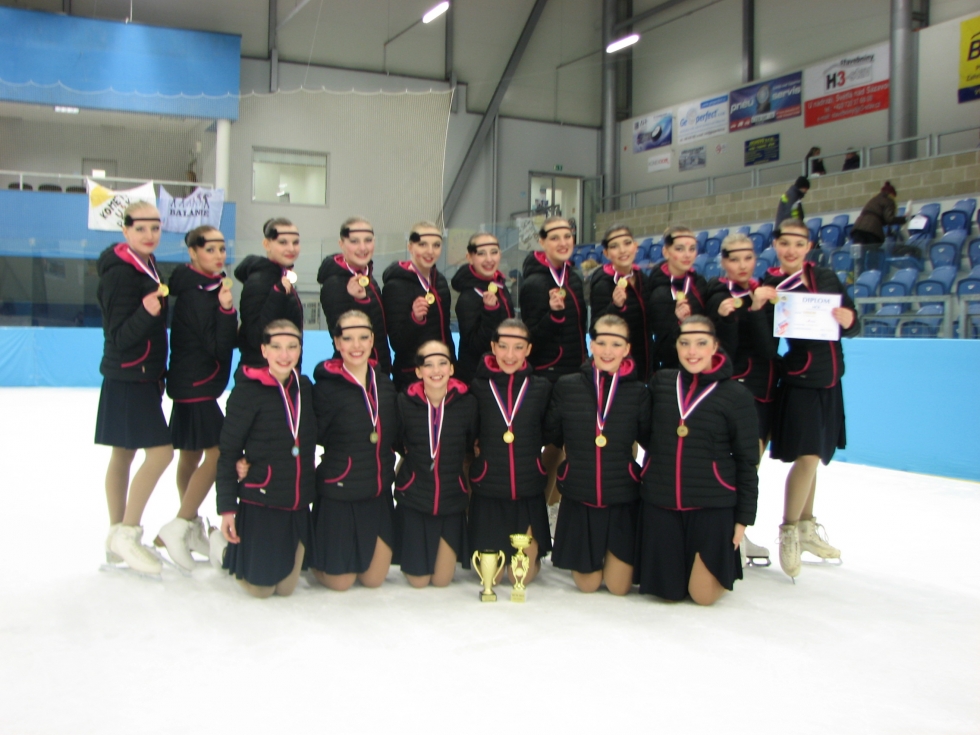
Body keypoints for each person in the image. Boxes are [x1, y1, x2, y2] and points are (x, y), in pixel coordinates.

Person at [635, 316, 759, 605]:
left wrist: (744, 518)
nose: (692, 351)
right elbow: (646, 434)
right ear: (676, 346)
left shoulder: (736, 395)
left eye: (701, 343)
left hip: (712, 506)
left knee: (703, 596)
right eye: (685, 343)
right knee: (667, 593)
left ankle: (722, 557)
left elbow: (746, 461)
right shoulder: (661, 383)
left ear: (715, 346)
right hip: (661, 503)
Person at [763, 220, 860, 578]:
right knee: (806, 457)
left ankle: (806, 527)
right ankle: (789, 531)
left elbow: (853, 325)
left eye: (798, 243)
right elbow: (765, 341)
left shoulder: (827, 278)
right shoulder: (772, 287)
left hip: (830, 382)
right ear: (775, 245)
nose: (791, 249)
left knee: (816, 456)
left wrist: (849, 320)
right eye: (784, 243)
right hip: (801, 382)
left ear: (808, 247)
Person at [544, 315, 651, 595]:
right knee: (588, 585)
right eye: (601, 342)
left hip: (622, 498)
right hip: (580, 498)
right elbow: (547, 433)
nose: (607, 351)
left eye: (616, 344)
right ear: (591, 345)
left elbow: (653, 441)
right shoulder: (567, 386)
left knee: (618, 587)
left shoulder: (638, 392)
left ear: (627, 349)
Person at [96, 201, 174, 575]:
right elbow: (117, 335)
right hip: (129, 376)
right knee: (161, 454)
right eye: (141, 228)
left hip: (142, 374)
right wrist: (146, 312)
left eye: (155, 228)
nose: (149, 235)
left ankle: (116, 537)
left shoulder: (146, 264)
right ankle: (128, 533)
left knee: (123, 454)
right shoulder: (120, 273)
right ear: (125, 230)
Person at [156, 226, 238, 571]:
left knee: (190, 455)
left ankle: (188, 525)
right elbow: (218, 344)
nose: (219, 255)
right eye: (210, 249)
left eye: (222, 249)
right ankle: (180, 523)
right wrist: (227, 311)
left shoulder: (204, 286)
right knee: (219, 453)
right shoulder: (196, 293)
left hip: (193, 383)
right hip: (196, 384)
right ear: (193, 252)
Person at [214, 320, 315, 598]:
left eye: (292, 347)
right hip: (261, 501)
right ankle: (223, 549)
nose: (285, 354)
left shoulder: (304, 388)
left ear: (300, 350)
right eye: (277, 347)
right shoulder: (247, 391)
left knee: (286, 589)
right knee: (261, 590)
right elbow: (228, 453)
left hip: (296, 502)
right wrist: (227, 509)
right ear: (264, 350)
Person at [310, 310, 399, 590]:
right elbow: (303, 435)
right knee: (340, 583)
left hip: (377, 495)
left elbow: (399, 434)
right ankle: (312, 556)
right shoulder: (325, 389)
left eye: (363, 337)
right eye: (348, 338)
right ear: (337, 343)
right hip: (340, 494)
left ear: (372, 340)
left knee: (373, 580)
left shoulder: (385, 385)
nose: (356, 345)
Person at [703, 236, 778, 566]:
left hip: (765, 389)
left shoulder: (765, 292)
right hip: (735, 390)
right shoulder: (718, 296)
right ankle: (725, 529)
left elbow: (771, 347)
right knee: (731, 462)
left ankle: (738, 528)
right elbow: (728, 352)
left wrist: (759, 306)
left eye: (748, 258)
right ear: (724, 262)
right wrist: (741, 313)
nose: (743, 265)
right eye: (735, 259)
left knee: (751, 465)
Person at [468, 319, 553, 586]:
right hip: (489, 490)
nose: (509, 355)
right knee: (490, 577)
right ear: (493, 347)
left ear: (528, 350)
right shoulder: (478, 387)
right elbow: (468, 432)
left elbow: (549, 431)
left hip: (527, 491)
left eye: (518, 347)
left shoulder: (540, 387)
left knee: (521, 577)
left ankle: (533, 553)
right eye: (503, 346)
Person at [519, 215, 587, 527]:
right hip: (549, 373)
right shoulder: (535, 283)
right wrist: (554, 316)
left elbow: (581, 327)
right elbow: (531, 336)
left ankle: (553, 504)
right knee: (551, 443)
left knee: (566, 445)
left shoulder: (573, 278)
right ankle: (538, 508)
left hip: (575, 370)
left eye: (567, 236)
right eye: (555, 237)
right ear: (542, 242)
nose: (563, 242)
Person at [393, 340, 477, 587]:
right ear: (419, 371)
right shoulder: (404, 403)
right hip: (415, 499)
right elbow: (397, 440)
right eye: (428, 364)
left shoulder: (467, 404)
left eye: (442, 363)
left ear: (451, 368)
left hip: (451, 501)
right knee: (418, 581)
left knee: (442, 580)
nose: (436, 370)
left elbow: (471, 441)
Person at [382, 222, 455, 391]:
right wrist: (415, 319)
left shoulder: (439, 281)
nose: (430, 251)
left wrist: (452, 363)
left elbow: (444, 330)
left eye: (436, 245)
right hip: (412, 375)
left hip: (442, 371)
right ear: (410, 246)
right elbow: (397, 342)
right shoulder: (395, 286)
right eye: (422, 244)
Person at [317, 217, 391, 376]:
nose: (363, 247)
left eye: (368, 240)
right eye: (354, 241)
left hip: (378, 369)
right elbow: (343, 336)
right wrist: (360, 301)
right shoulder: (335, 284)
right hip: (357, 372)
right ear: (341, 244)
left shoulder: (368, 279)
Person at [235, 218, 304, 368]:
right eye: (283, 242)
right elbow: (255, 337)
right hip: (263, 372)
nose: (291, 248)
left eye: (295, 242)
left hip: (281, 370)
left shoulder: (279, 277)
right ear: (267, 244)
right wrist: (277, 296)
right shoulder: (259, 281)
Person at [450, 232, 514, 385]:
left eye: (494, 252)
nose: (489, 259)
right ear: (470, 257)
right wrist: (490, 312)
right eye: (481, 254)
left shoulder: (499, 285)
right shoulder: (468, 297)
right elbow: (476, 345)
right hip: (479, 377)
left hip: (503, 368)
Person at [589, 224, 652, 379]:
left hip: (645, 362)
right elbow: (595, 329)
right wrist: (616, 307)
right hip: (619, 367)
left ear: (635, 246)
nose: (622, 250)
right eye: (614, 246)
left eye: (627, 243)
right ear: (606, 253)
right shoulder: (603, 284)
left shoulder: (643, 278)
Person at [648, 225, 708, 373]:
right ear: (666, 252)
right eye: (680, 249)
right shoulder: (659, 292)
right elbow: (663, 347)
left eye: (692, 249)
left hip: (703, 363)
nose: (687, 255)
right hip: (674, 369)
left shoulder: (700, 283)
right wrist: (680, 324)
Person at [850, 182, 907, 272]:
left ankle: (858, 277)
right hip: (872, 230)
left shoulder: (874, 199)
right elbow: (889, 219)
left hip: (858, 228)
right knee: (873, 256)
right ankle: (872, 275)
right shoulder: (889, 200)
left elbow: (876, 215)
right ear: (892, 194)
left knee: (858, 258)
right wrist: (904, 219)